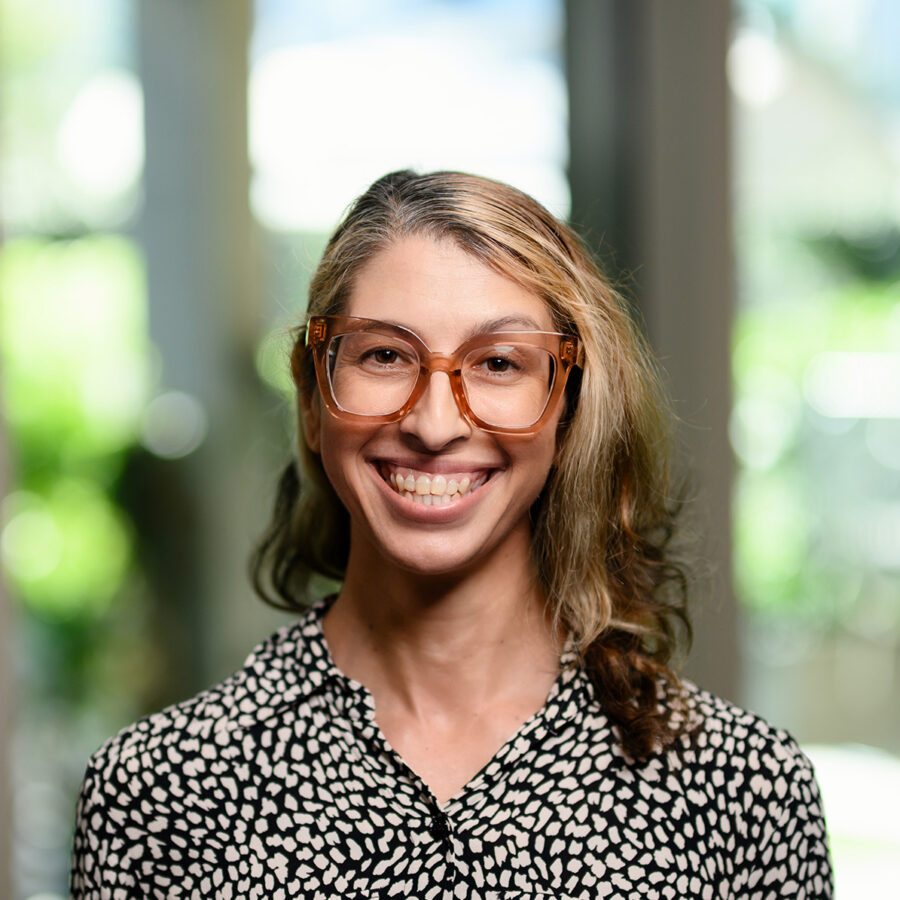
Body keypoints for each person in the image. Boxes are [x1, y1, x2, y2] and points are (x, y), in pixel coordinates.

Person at [70, 170, 833, 898]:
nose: (435, 423)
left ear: (568, 406)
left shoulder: (741, 788)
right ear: (313, 394)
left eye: (499, 362)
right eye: (384, 355)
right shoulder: (157, 792)